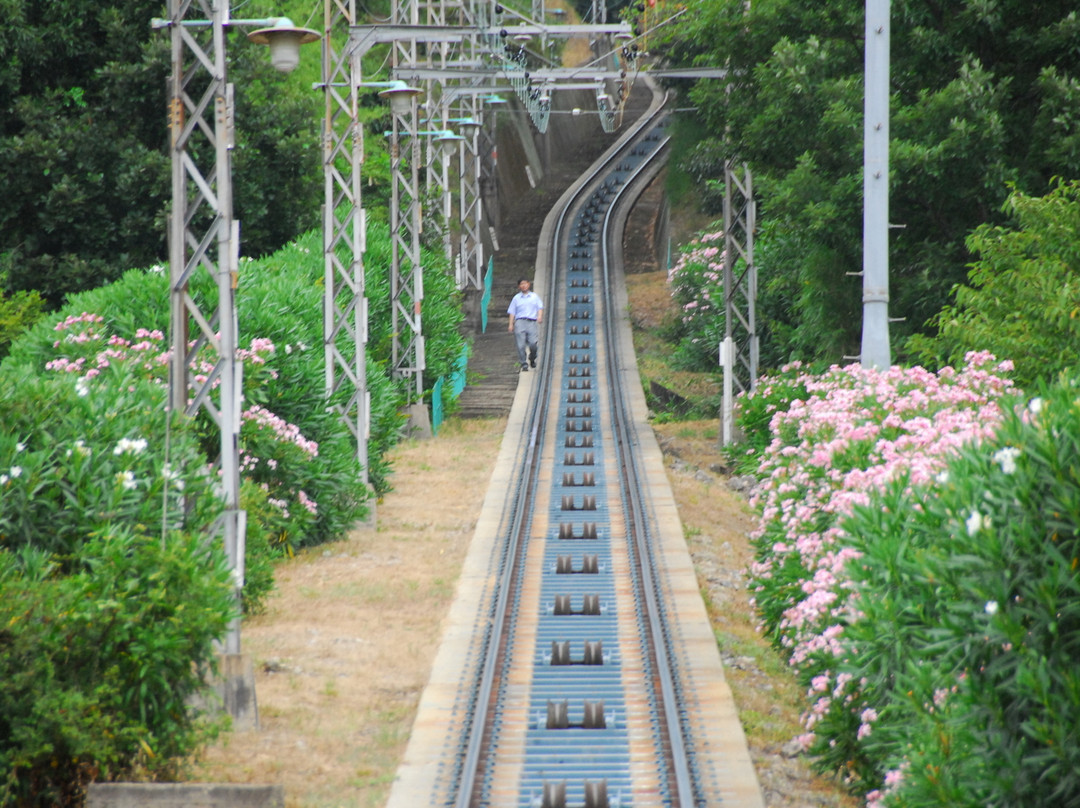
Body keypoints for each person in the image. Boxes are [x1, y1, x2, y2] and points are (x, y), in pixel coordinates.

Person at [507, 278, 543, 372]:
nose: (524, 286)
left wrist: (539, 316)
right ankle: (524, 364)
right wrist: (511, 324)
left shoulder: (534, 296)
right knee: (520, 345)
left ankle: (532, 357)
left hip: (531, 322)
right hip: (520, 322)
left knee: (533, 343)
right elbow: (512, 312)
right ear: (519, 286)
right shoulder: (516, 298)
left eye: (525, 283)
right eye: (521, 284)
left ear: (528, 284)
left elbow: (540, 307)